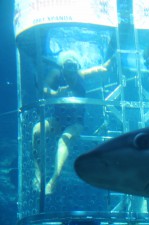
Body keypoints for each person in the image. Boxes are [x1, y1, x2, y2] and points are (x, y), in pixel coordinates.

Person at [32, 50, 108, 195]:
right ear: (62, 66)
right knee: (37, 130)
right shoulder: (56, 74)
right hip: (58, 119)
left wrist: (105, 66)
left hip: (76, 122)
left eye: (74, 66)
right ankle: (38, 171)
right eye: (68, 65)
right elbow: (44, 86)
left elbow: (96, 69)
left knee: (64, 139)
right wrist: (55, 94)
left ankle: (54, 179)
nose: (71, 69)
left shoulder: (81, 75)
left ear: (78, 66)